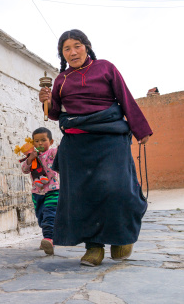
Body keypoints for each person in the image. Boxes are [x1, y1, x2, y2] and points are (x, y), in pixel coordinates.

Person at [39, 29, 151, 266]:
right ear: (62, 54)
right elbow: (56, 114)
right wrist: (47, 102)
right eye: (67, 48)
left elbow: (125, 97)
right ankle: (94, 248)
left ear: (87, 47)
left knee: (118, 189)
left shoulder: (105, 68)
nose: (73, 52)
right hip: (77, 144)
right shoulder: (62, 79)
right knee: (84, 197)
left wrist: (141, 129)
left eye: (77, 46)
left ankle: (122, 238)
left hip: (110, 139)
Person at [20, 127, 59, 255]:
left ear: (51, 141)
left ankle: (48, 238)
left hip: (53, 190)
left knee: (49, 213)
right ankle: (46, 239)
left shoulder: (52, 153)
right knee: (41, 216)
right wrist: (30, 159)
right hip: (37, 192)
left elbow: (60, 153)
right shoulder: (31, 156)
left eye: (43, 140)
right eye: (36, 141)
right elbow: (25, 169)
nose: (40, 143)